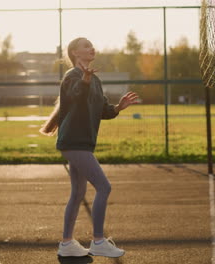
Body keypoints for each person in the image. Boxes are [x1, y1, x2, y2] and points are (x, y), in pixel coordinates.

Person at [39, 37, 139, 258]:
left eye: (92, 45)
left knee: (78, 193)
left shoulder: (95, 80)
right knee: (104, 187)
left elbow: (103, 110)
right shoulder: (72, 77)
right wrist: (84, 79)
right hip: (74, 141)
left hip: (82, 142)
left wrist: (118, 107)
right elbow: (76, 95)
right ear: (75, 52)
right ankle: (98, 240)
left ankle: (66, 244)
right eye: (86, 45)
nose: (91, 48)